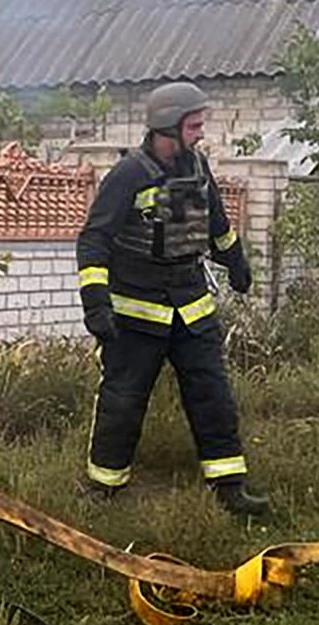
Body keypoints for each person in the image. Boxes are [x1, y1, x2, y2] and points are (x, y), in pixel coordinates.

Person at [75, 81, 269, 516]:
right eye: (195, 125)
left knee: (213, 397)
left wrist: (235, 262)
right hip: (136, 317)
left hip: (192, 310)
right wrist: (96, 303)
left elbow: (217, 224)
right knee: (123, 401)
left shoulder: (198, 167)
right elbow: (93, 241)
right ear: (169, 125)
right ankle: (103, 487)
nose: (201, 133)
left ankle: (229, 488)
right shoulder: (128, 174)